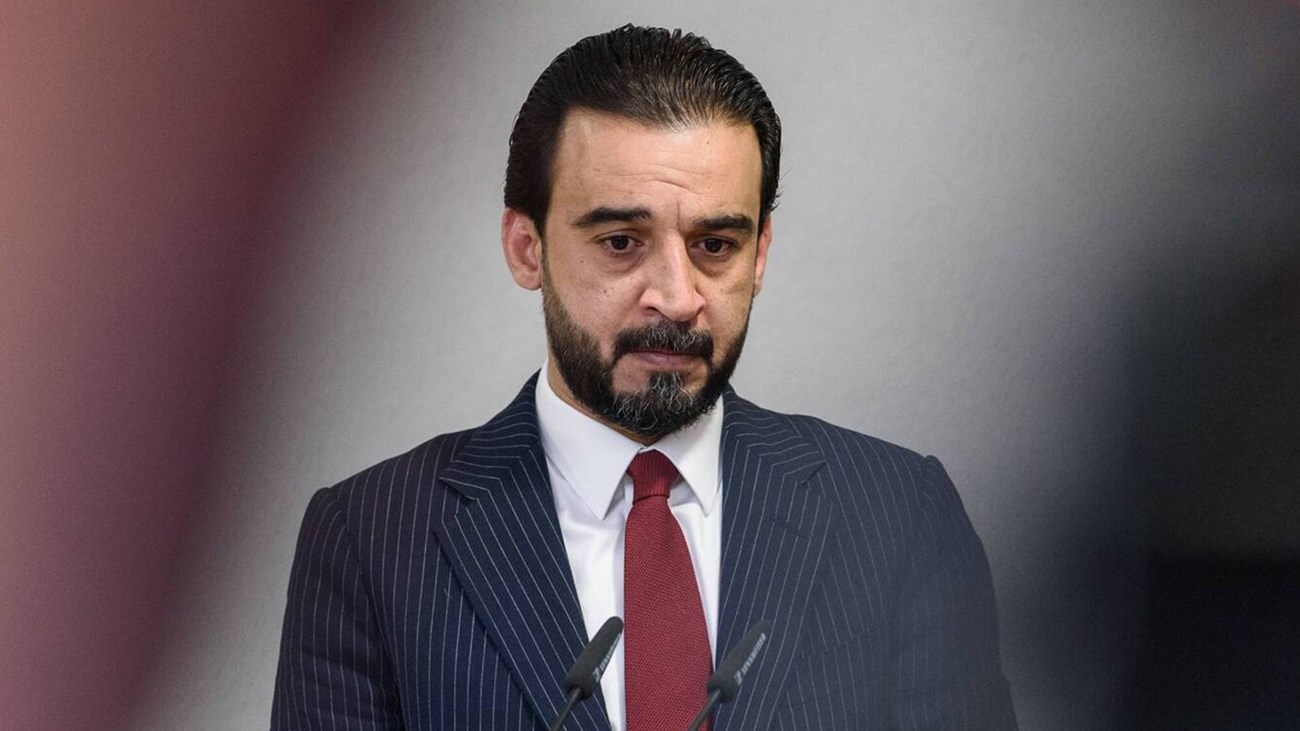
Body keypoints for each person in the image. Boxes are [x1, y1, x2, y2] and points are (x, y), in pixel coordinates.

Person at [271, 24, 1016, 731]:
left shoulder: (898, 517)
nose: (678, 296)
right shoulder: (374, 536)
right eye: (622, 242)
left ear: (760, 255)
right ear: (527, 249)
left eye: (715, 245)